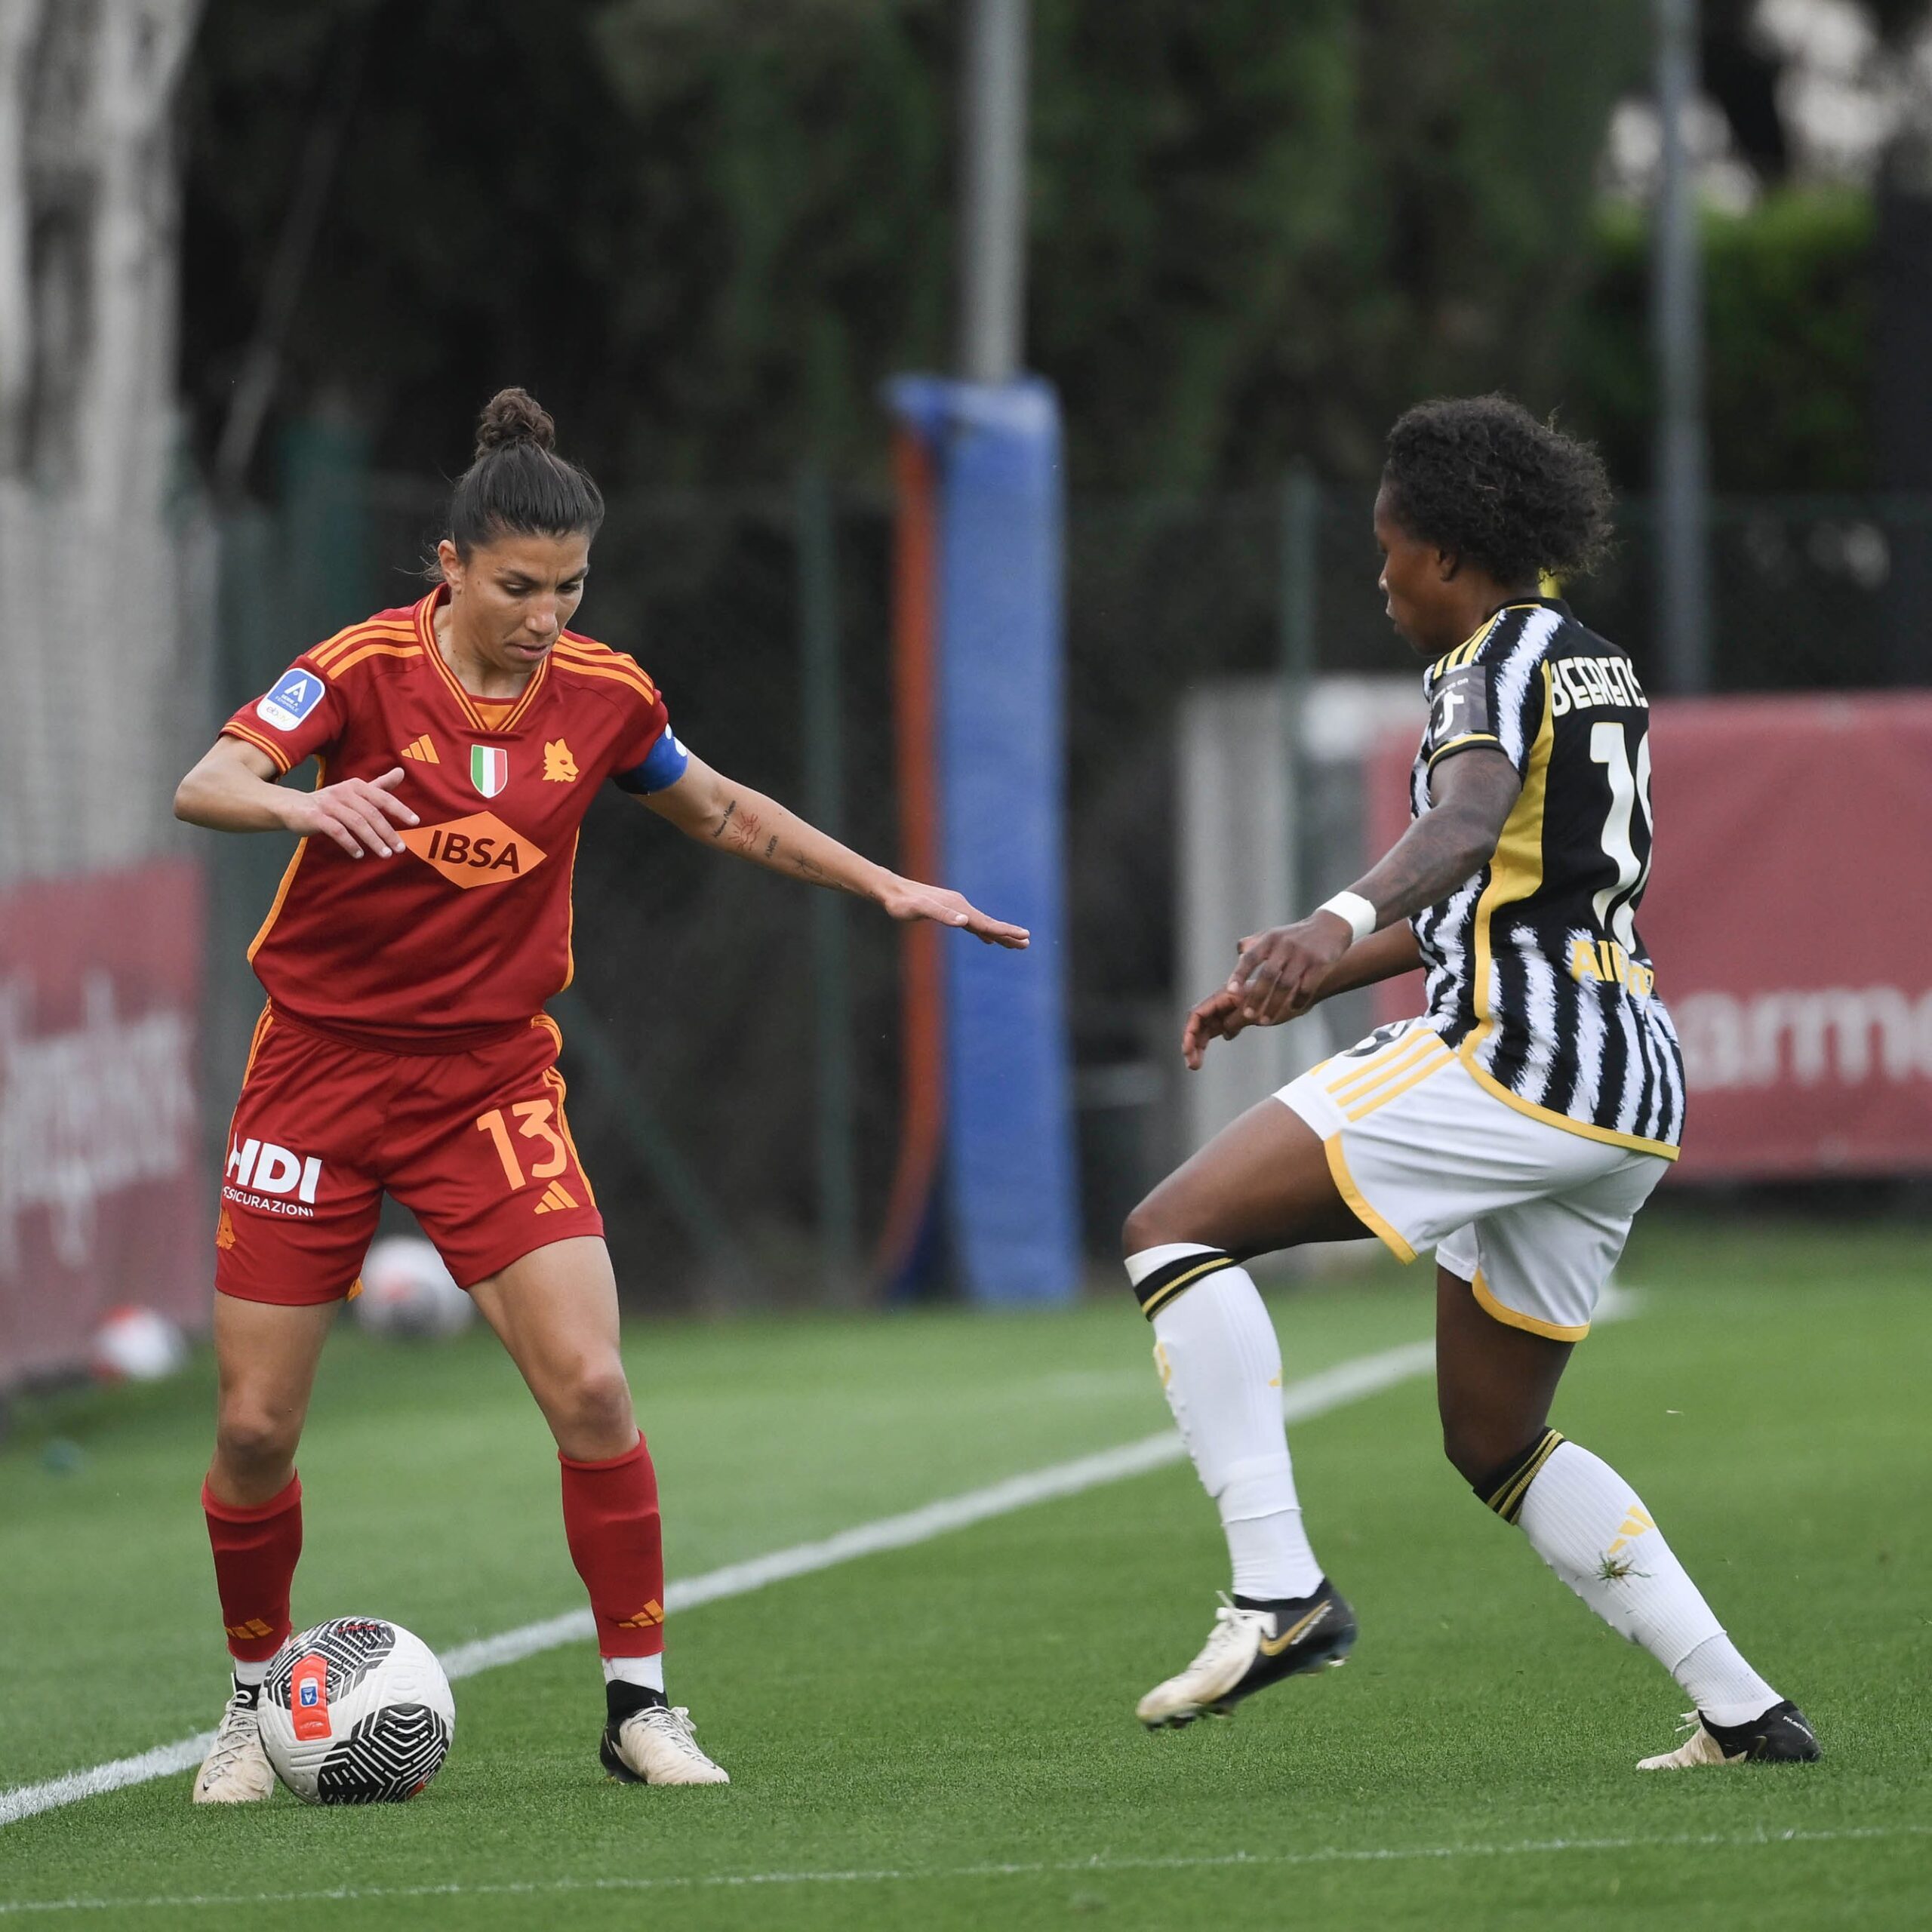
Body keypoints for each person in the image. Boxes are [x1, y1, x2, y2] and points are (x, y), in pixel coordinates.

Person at [176, 388, 1027, 1801]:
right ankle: (252, 1703)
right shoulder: (358, 670)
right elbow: (209, 781)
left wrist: (886, 884)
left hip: (487, 1081)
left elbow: (723, 808)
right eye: (519, 587)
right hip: (315, 1071)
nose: (546, 616)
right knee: (257, 1429)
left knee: (592, 1385)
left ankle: (640, 1708)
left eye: (569, 587)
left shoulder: (606, 695)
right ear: (452, 566)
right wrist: (301, 803)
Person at [1121, 395, 1817, 1770]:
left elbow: (1464, 823)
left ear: (1445, 552)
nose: (1379, 581)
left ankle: (1278, 1591)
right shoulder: (1595, 660)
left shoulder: (1484, 663)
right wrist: (1314, 972)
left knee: (1170, 1230)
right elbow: (1508, 882)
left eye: (1388, 552)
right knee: (1497, 1438)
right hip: (1629, 1082)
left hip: (1517, 1054)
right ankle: (1745, 1711)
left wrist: (1327, 917)